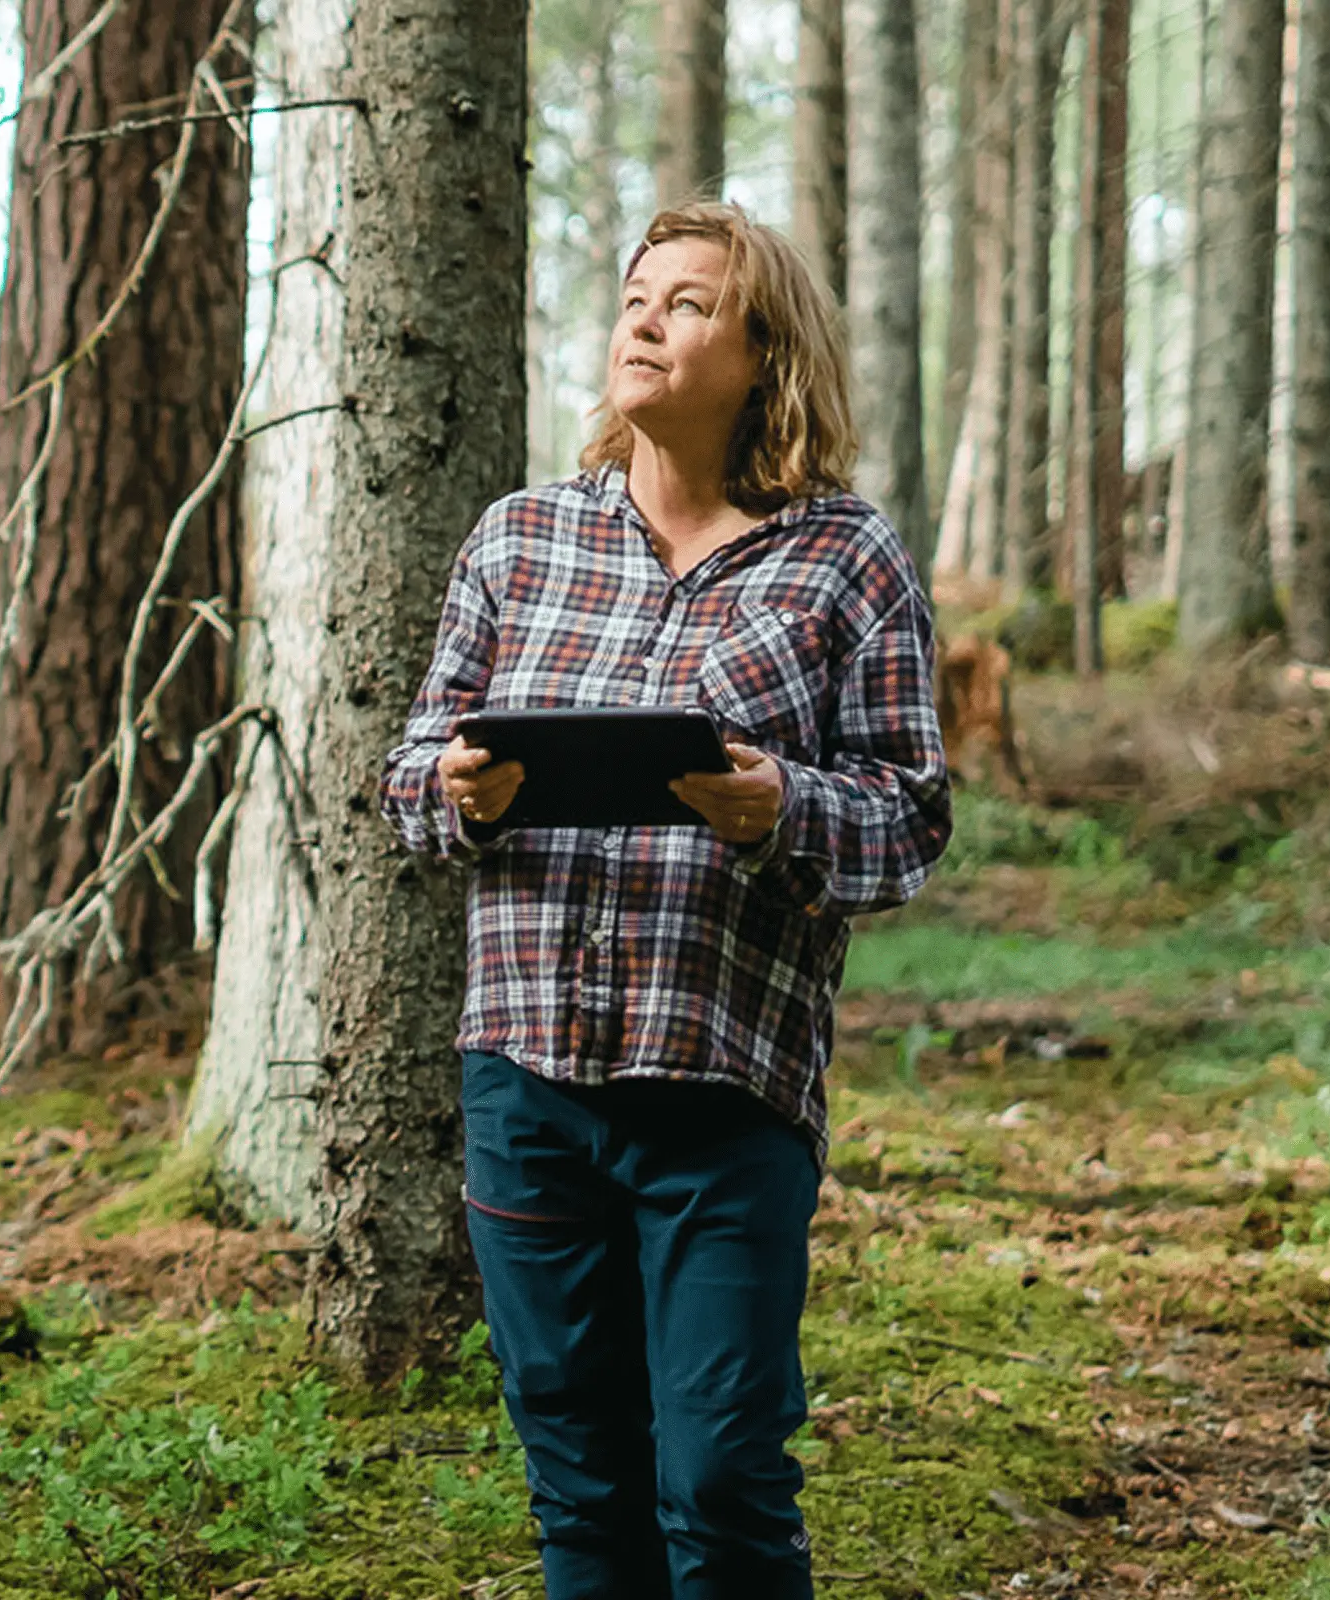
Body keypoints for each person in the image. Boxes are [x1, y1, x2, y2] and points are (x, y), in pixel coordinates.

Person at [377, 202, 953, 1600]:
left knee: (721, 1482)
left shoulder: (845, 559)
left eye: (691, 303)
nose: (646, 320)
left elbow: (912, 817)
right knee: (581, 1486)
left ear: (767, 357)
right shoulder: (518, 542)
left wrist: (782, 807)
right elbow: (407, 774)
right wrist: (455, 792)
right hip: (529, 1085)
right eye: (638, 296)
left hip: (725, 1095)